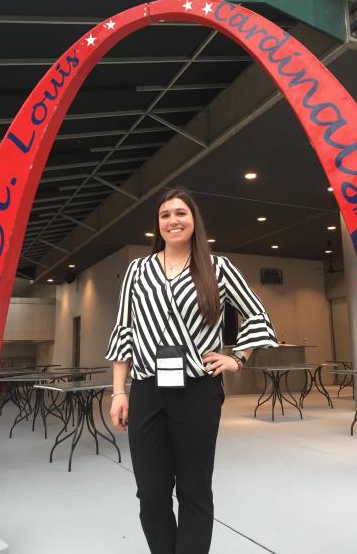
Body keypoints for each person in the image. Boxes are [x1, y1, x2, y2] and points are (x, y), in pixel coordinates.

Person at [106, 187, 278, 554]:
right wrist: (120, 392)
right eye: (165, 215)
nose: (173, 220)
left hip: (198, 390)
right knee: (150, 493)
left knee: (194, 488)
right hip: (148, 390)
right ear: (158, 225)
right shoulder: (137, 271)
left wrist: (237, 357)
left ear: (194, 220)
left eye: (181, 213)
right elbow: (124, 331)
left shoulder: (218, 268)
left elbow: (258, 314)